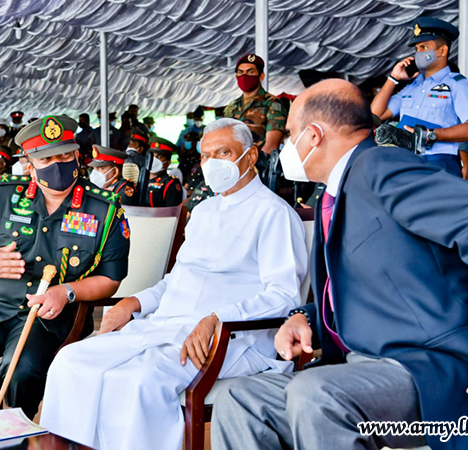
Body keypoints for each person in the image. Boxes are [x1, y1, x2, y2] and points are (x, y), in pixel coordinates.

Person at [212, 79, 468, 450]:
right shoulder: (335, 192)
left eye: (291, 133)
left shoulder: (380, 166)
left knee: (316, 392)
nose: (287, 144)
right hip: (359, 371)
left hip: (429, 373)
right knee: (241, 397)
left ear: (313, 135)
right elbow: (365, 282)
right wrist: (304, 317)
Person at [41, 118, 307, 450]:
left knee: (137, 381)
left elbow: (283, 295)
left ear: (250, 156)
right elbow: (175, 281)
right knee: (71, 361)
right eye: (206, 156)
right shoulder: (205, 212)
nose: (213, 164)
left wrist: (215, 319)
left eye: (224, 152)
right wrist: (134, 303)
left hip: (231, 338)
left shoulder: (274, 214)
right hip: (168, 326)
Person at [0, 115, 130, 418]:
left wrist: (67, 292)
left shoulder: (104, 208)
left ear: (77, 155)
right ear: (29, 164)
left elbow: (111, 279)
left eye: (65, 155)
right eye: (46, 158)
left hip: (48, 316)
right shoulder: (6, 195)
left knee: (22, 371)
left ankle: (13, 435)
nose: (58, 165)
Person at [370, 17, 468, 178]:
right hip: (406, 162)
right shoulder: (412, 88)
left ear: (442, 51)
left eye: (424, 47)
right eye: (417, 49)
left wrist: (431, 135)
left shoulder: (458, 85)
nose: (419, 53)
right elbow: (376, 115)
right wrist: (393, 78)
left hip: (439, 162)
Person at [224, 53, 286, 155]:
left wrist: (251, 165)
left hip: (259, 165)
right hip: (235, 165)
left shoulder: (272, 103)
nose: (244, 76)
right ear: (236, 76)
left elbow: (271, 145)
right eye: (241, 72)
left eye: (250, 72)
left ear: (261, 76)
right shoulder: (232, 106)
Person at [146, 137, 183, 207]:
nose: (154, 160)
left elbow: (171, 211)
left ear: (168, 163)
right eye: (152, 156)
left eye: (160, 157)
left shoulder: (170, 183)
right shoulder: (140, 178)